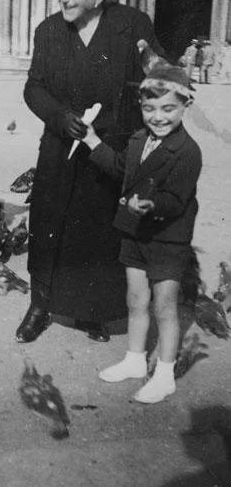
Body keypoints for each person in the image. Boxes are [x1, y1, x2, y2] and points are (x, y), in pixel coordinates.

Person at [16, 0, 166, 345]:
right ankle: (39, 305)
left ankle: (91, 311)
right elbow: (34, 87)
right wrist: (59, 116)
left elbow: (157, 76)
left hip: (107, 152)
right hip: (60, 148)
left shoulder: (131, 25)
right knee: (49, 227)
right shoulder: (49, 31)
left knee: (99, 233)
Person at [82, 64, 201, 403]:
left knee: (165, 307)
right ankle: (135, 360)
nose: (158, 117)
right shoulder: (137, 141)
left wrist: (151, 205)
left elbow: (177, 201)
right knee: (136, 299)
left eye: (168, 109)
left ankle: (164, 374)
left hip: (167, 240)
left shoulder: (188, 152)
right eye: (149, 109)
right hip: (134, 233)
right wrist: (91, 140)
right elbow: (120, 169)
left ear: (185, 108)